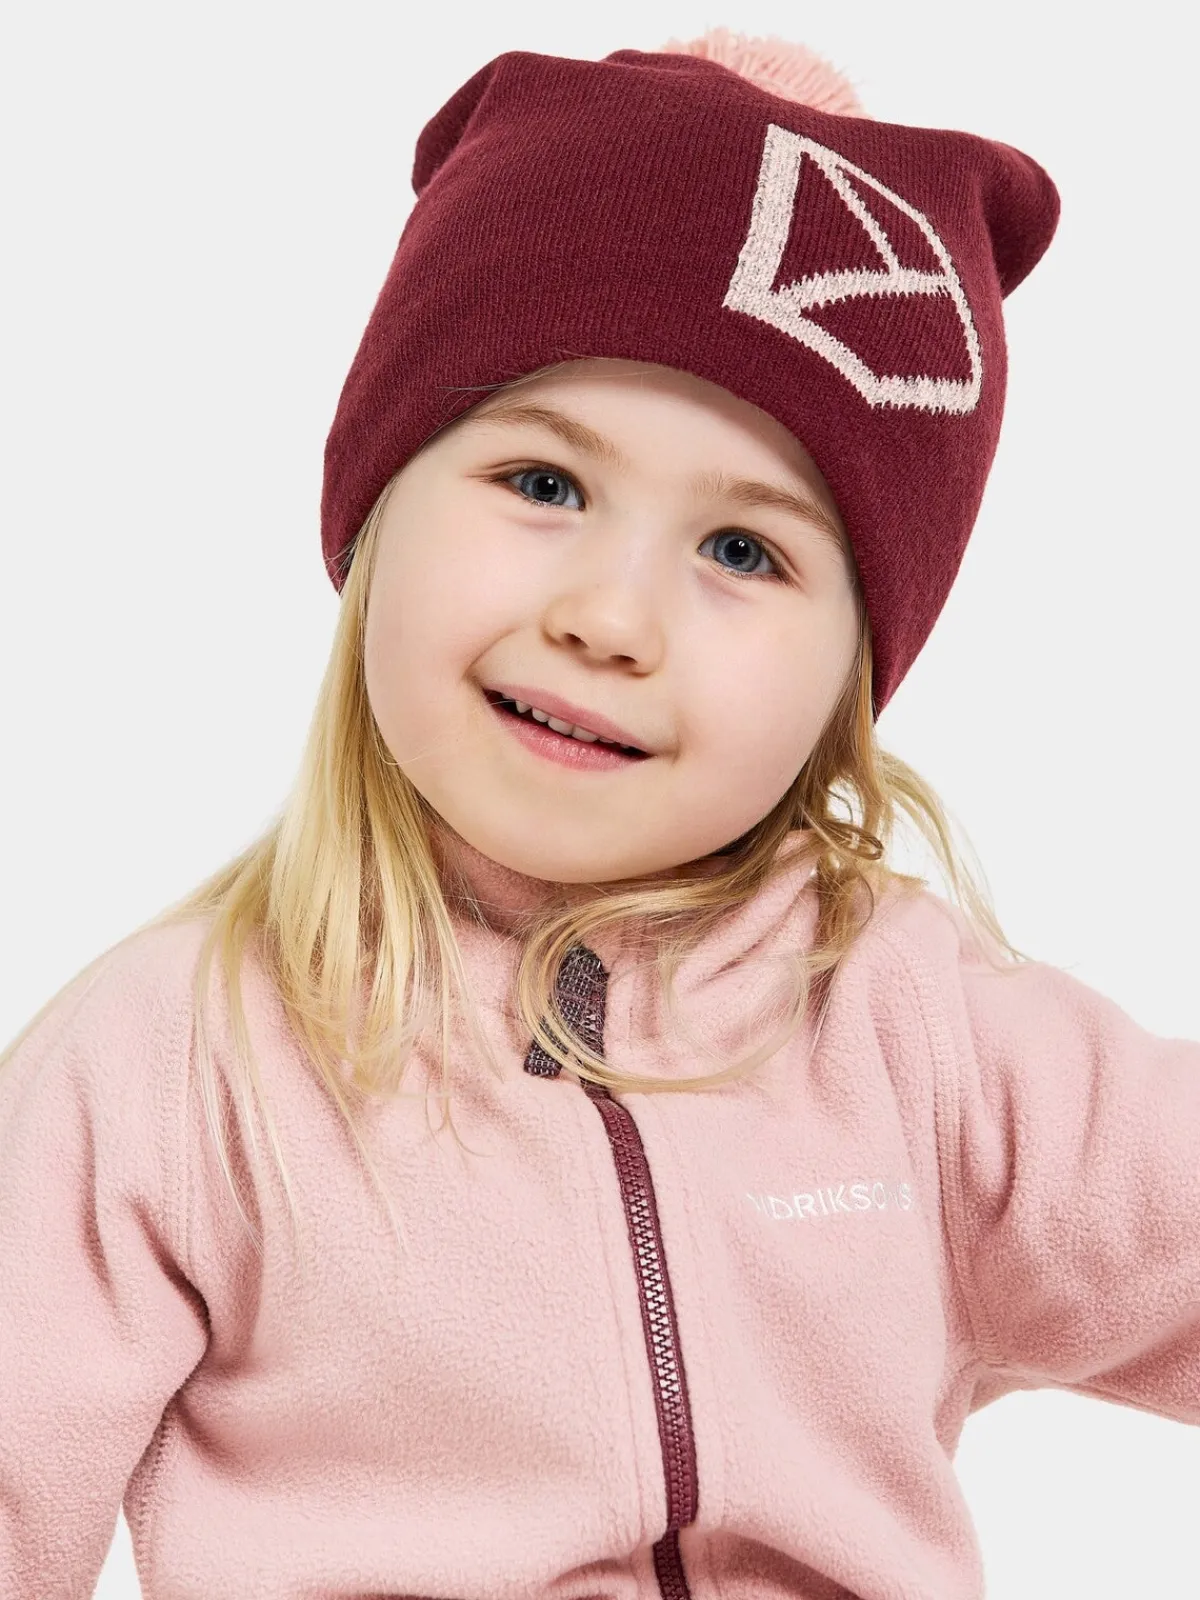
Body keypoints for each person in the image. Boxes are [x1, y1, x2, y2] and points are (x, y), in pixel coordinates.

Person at [1, 25, 1196, 1600]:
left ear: (849, 676)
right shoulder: (174, 1065)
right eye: (544, 485)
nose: (611, 619)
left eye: (745, 553)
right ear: (376, 513)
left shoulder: (917, 1030)